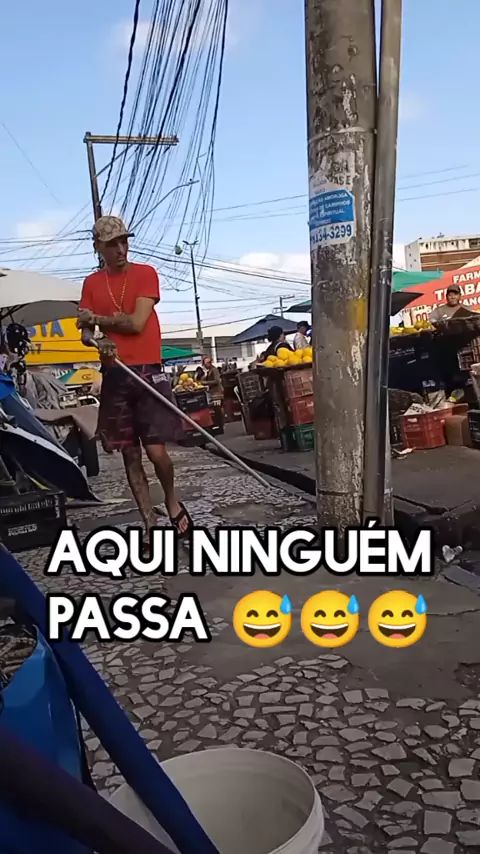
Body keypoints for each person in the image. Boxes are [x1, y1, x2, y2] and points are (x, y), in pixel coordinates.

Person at [77, 215, 192, 541]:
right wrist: (96, 341)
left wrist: (97, 320)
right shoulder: (91, 283)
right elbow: (85, 332)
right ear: (98, 247)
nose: (121, 249)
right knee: (130, 454)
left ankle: (171, 500)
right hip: (115, 373)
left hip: (148, 371)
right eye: (112, 244)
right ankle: (148, 523)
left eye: (124, 241)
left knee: (156, 451)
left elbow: (137, 323)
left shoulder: (145, 273)